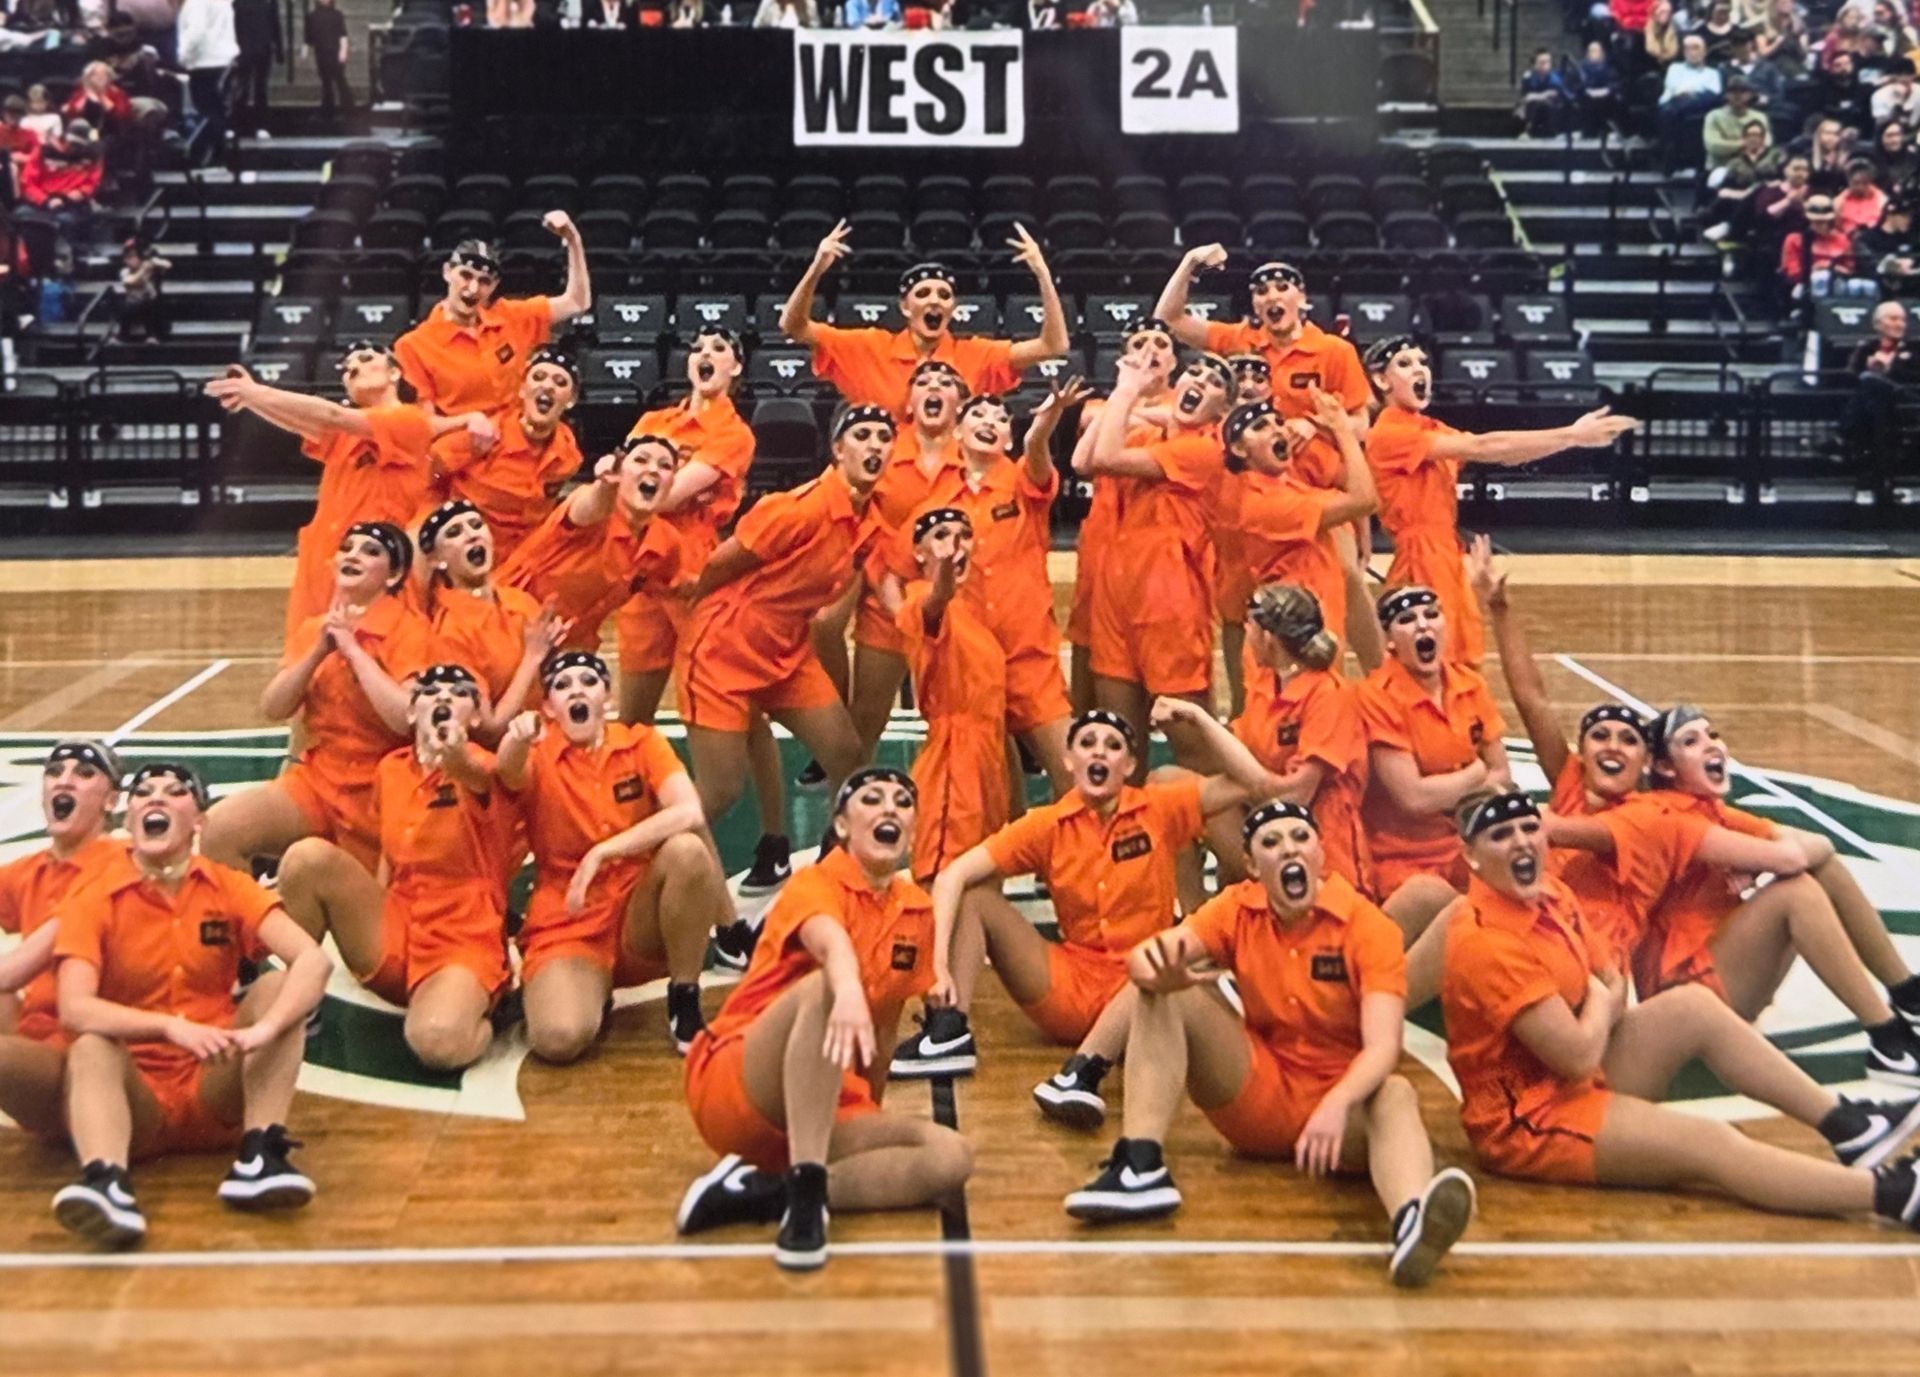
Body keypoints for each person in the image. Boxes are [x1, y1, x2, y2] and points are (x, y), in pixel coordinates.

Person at [1440, 788, 1920, 1232]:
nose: (1522, 842)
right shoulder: (1488, 939)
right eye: (1501, 835)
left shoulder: (1554, 892)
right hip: (1531, 1116)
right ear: (1471, 857)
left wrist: (1601, 1002)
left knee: (1693, 1006)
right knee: (1709, 1143)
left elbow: (1613, 976)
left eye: (1529, 829)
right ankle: (1894, 1193)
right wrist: (1602, 1002)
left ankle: (1850, 1126)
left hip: (1585, 1051)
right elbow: (1580, 1051)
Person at [1064, 800, 1478, 1290]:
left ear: (1321, 854)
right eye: (1272, 842)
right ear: (1251, 864)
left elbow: (1383, 1047)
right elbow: (1146, 959)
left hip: (1341, 1110)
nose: (1289, 850)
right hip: (1260, 1094)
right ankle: (1140, 1167)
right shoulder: (1237, 908)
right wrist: (1155, 969)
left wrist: (1337, 1104)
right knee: (1166, 994)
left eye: (1300, 838)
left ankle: (1411, 1219)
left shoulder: (1369, 928)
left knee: (1396, 1093)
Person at [891, 709, 1254, 1125]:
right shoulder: (1046, 825)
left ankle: (1086, 1071)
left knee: (1162, 965)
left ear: (1130, 766)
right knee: (976, 897)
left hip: (1141, 988)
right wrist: (937, 968)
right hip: (1071, 985)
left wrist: (1197, 716)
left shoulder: (1160, 807)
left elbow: (1248, 781)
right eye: (1087, 743)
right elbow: (953, 875)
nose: (1099, 752)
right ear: (1069, 760)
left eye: (1113, 746)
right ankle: (948, 1027)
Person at [676, 768, 972, 1271]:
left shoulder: (915, 912)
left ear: (914, 832)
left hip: (822, 1103)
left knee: (950, 1157)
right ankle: (808, 1199)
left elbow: (882, 1027)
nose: (889, 809)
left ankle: (766, 1192)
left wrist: (868, 1116)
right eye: (872, 799)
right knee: (827, 985)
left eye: (902, 803)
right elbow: (829, 944)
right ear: (840, 826)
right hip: (741, 1078)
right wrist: (849, 983)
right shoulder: (814, 883)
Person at [51, 763, 331, 1249]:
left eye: (176, 792)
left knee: (275, 989)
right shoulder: (93, 894)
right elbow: (74, 1007)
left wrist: (265, 1032)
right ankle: (106, 1180)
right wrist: (167, 1027)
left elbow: (312, 960)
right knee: (89, 1045)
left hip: (212, 1078)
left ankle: (260, 1153)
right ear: (128, 817)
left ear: (199, 821)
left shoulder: (226, 885)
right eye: (145, 792)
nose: (157, 799)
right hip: (136, 1098)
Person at [1637, 704, 1920, 1081]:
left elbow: (1817, 846)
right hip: (1677, 999)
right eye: (1691, 741)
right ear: (1664, 767)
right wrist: (1770, 859)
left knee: (1822, 871)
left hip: (1714, 974)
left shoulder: (1712, 812)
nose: (1711, 746)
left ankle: (1906, 993)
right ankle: (1888, 1039)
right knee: (1795, 893)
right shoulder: (1667, 814)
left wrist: (1762, 860)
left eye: (1713, 735)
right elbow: (1790, 856)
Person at [277, 666, 519, 1072]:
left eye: (458, 692)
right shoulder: (391, 768)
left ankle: (491, 1009)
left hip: (461, 938)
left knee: (437, 1044)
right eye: (428, 690)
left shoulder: (485, 768)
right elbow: (390, 856)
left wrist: (454, 754)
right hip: (400, 925)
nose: (441, 697)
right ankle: (301, 999)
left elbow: (472, 775)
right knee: (306, 859)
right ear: (411, 712)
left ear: (475, 717)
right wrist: (375, 920)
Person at [497, 651, 730, 1058]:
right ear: (550, 707)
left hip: (637, 914)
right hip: (569, 920)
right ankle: (583, 989)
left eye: (588, 681)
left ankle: (685, 995)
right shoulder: (537, 753)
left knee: (688, 851)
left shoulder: (641, 743)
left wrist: (604, 852)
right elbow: (508, 771)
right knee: (558, 1040)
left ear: (607, 696)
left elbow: (688, 810)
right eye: (562, 685)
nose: (577, 691)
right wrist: (515, 738)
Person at [675, 405, 890, 844]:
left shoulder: (869, 518)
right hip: (725, 650)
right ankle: (638, 866)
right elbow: (720, 564)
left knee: (847, 755)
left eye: (884, 437)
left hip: (787, 651)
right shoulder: (799, 509)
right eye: (862, 435)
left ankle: (840, 865)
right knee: (720, 792)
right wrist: (700, 614)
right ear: (837, 449)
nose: (874, 445)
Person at [1362, 336, 1637, 668]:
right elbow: (1483, 446)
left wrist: (1570, 441)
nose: (1419, 370)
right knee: (1436, 663)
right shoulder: (1392, 433)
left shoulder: (1428, 427)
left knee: (1462, 661)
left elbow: (1503, 453)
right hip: (1421, 557)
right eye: (1405, 364)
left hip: (1447, 553)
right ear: (1381, 380)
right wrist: (1570, 435)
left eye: (1422, 362)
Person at [204, 343, 488, 642]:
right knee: (307, 657)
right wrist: (251, 398)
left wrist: (256, 392)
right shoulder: (348, 435)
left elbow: (331, 415)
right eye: (347, 368)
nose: (353, 368)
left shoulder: (408, 420)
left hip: (372, 569)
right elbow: (303, 422)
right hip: (324, 561)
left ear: (394, 373)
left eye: (366, 359)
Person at [880, 382, 1080, 796]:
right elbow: (890, 573)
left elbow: (1038, 453)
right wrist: (912, 628)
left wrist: (1043, 424)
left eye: (1000, 419)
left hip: (1029, 656)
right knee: (991, 790)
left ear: (1009, 438)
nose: (989, 421)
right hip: (970, 667)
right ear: (957, 431)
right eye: (978, 414)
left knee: (1071, 771)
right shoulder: (932, 507)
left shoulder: (1025, 483)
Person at [200, 522, 432, 875]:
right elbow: (273, 708)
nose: (354, 555)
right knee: (219, 829)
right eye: (348, 547)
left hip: (380, 794)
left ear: (394, 575)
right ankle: (249, 926)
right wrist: (316, 653)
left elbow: (406, 719)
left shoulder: (411, 631)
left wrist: (353, 651)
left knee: (330, 880)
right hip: (319, 782)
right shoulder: (314, 628)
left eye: (371, 551)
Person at [1159, 585, 1372, 897]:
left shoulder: (1329, 695)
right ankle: (1198, 919)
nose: (1244, 631)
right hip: (1263, 818)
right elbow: (1243, 759)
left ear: (1269, 639)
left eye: (1251, 626)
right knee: (1168, 790)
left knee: (1203, 798)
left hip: (1317, 845)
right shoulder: (1267, 684)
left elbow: (1294, 797)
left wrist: (1201, 720)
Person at [1079, 351, 1232, 767]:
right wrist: (1125, 390)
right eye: (1194, 372)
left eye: (1215, 381)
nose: (1200, 379)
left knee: (1191, 745)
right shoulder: (1150, 436)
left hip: (1170, 597)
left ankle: (1211, 829)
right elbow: (1082, 461)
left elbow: (1107, 457)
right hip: (1118, 587)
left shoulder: (1202, 450)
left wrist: (1128, 393)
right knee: (1117, 741)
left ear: (1223, 410)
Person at [613, 328, 755, 726]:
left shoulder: (734, 433)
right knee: (632, 716)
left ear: (736, 366)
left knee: (713, 702)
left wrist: (627, 477)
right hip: (641, 562)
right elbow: (619, 478)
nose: (704, 355)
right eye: (697, 349)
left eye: (718, 348)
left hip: (694, 565)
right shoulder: (654, 419)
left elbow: (665, 495)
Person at [779, 224, 1069, 418]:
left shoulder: (976, 354)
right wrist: (816, 269)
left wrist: (1042, 273)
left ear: (953, 308)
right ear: (905, 307)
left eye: (944, 294)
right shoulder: (868, 346)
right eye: (923, 293)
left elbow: (1053, 346)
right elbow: (792, 327)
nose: (934, 300)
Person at [0, 742, 125, 1143]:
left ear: (111, 800)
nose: (65, 780)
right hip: (39, 1046)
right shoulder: (28, 871)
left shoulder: (122, 861)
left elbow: (13, 970)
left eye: (84, 774)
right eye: (55, 772)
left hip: (97, 1048)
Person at [1357, 586, 1509, 903]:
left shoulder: (1470, 684)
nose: (1423, 625)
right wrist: (1475, 775)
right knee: (1443, 907)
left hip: (1465, 845)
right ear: (1389, 641)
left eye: (1431, 615)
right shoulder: (1376, 696)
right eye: (1407, 619)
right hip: (1401, 857)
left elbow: (1503, 773)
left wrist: (1450, 791)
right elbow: (1413, 797)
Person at [1221, 390, 1382, 670]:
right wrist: (1341, 429)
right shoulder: (1262, 502)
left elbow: (1362, 497)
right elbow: (1364, 500)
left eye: (1278, 422)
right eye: (1260, 427)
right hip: (1293, 635)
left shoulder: (1291, 488)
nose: (1276, 429)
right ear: (1239, 449)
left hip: (1314, 621)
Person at [1066, 319, 1180, 715]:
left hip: (1160, 547)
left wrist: (1129, 410)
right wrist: (1128, 398)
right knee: (1088, 651)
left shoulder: (1186, 407)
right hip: (1101, 542)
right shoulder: (1101, 405)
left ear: (1174, 361)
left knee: (1166, 670)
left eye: (1161, 343)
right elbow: (1083, 456)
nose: (1151, 349)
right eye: (1140, 342)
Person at [892, 507, 1007, 883]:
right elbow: (935, 601)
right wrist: (943, 575)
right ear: (919, 553)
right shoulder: (919, 599)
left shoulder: (976, 616)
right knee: (941, 881)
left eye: (963, 535)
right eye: (941, 535)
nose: (955, 545)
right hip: (952, 766)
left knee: (983, 885)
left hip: (988, 764)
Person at [1153, 251, 1373, 439]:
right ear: (1255, 306)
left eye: (1282, 287)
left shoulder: (1334, 351)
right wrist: (1189, 262)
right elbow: (1167, 321)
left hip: (1311, 467)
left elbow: (1362, 426)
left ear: (1302, 298)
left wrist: (1315, 427)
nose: (1271, 296)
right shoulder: (1237, 338)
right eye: (1261, 291)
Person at [496, 434, 682, 653]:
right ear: (620, 471)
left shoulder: (667, 542)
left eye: (665, 466)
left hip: (571, 647)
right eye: (641, 460)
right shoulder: (591, 508)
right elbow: (592, 506)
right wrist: (605, 485)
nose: (652, 470)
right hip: (506, 628)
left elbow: (676, 587)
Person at [396, 228, 590, 418]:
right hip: (460, 445)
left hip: (517, 443)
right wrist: (469, 423)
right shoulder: (413, 346)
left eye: (484, 281)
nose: (473, 289)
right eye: (466, 275)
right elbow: (423, 426)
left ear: (494, 285)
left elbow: (577, 302)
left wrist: (573, 239)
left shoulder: (511, 317)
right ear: (447, 272)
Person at [414, 499, 566, 741]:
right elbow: (490, 729)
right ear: (436, 559)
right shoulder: (450, 632)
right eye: (455, 532)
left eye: (476, 525)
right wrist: (533, 657)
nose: (471, 536)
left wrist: (553, 653)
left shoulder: (521, 601)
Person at [428, 345, 584, 560]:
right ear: (522, 388)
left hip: (526, 560)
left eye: (560, 382)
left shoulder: (569, 456)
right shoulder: (486, 436)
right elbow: (430, 470)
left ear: (571, 399)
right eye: (538, 377)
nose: (547, 386)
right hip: (470, 553)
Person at [177, 0, 237, 163]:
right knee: (216, 109)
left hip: (205, 62)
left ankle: (209, 154)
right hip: (223, 58)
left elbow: (196, 32)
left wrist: (183, 55)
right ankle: (218, 152)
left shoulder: (196, 3)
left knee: (207, 110)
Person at [1659, 35, 1724, 169]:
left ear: (1705, 51)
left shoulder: (1712, 73)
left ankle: (1671, 153)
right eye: (1688, 49)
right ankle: (1672, 153)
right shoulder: (1675, 68)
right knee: (1672, 107)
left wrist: (1690, 92)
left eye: (1696, 48)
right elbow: (1673, 87)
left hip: (1697, 104)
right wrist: (1691, 91)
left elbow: (1714, 93)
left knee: (1692, 103)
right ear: (1684, 52)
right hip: (1674, 102)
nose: (1692, 52)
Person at [231, 0, 281, 128]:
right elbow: (275, 25)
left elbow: (275, 24)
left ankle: (243, 124)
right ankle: (256, 125)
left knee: (249, 87)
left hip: (251, 47)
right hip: (255, 47)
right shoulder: (267, 3)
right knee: (251, 87)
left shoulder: (239, 4)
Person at [1703, 77, 1771, 168]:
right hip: (1720, 167)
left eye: (1743, 91)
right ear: (1726, 95)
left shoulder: (1760, 117)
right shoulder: (1713, 116)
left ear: (1750, 95)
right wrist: (1744, 144)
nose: (1737, 95)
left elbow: (1767, 143)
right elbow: (1713, 146)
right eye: (1732, 92)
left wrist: (1732, 146)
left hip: (1751, 166)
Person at [113, 238, 170, 343]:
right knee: (124, 305)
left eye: (132, 256)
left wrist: (154, 261)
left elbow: (167, 265)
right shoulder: (124, 271)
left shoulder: (149, 267)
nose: (128, 260)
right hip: (132, 306)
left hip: (149, 305)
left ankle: (151, 335)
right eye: (127, 257)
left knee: (151, 304)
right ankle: (122, 335)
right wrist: (144, 270)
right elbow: (130, 282)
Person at [304, 0, 353, 116]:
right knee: (328, 82)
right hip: (322, 52)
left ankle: (345, 108)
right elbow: (309, 37)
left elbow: (343, 35)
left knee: (339, 80)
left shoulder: (335, 15)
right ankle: (330, 108)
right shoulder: (314, 16)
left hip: (332, 52)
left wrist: (343, 51)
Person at [1517, 49, 1571, 138]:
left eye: (1548, 62)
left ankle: (1554, 132)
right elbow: (1526, 97)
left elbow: (1557, 96)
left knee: (1545, 104)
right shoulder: (1528, 78)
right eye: (1542, 62)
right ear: (1534, 65)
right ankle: (1528, 131)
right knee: (1532, 105)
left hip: (1551, 112)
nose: (1545, 65)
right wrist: (1544, 95)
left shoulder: (1555, 79)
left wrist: (1537, 96)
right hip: (1532, 112)